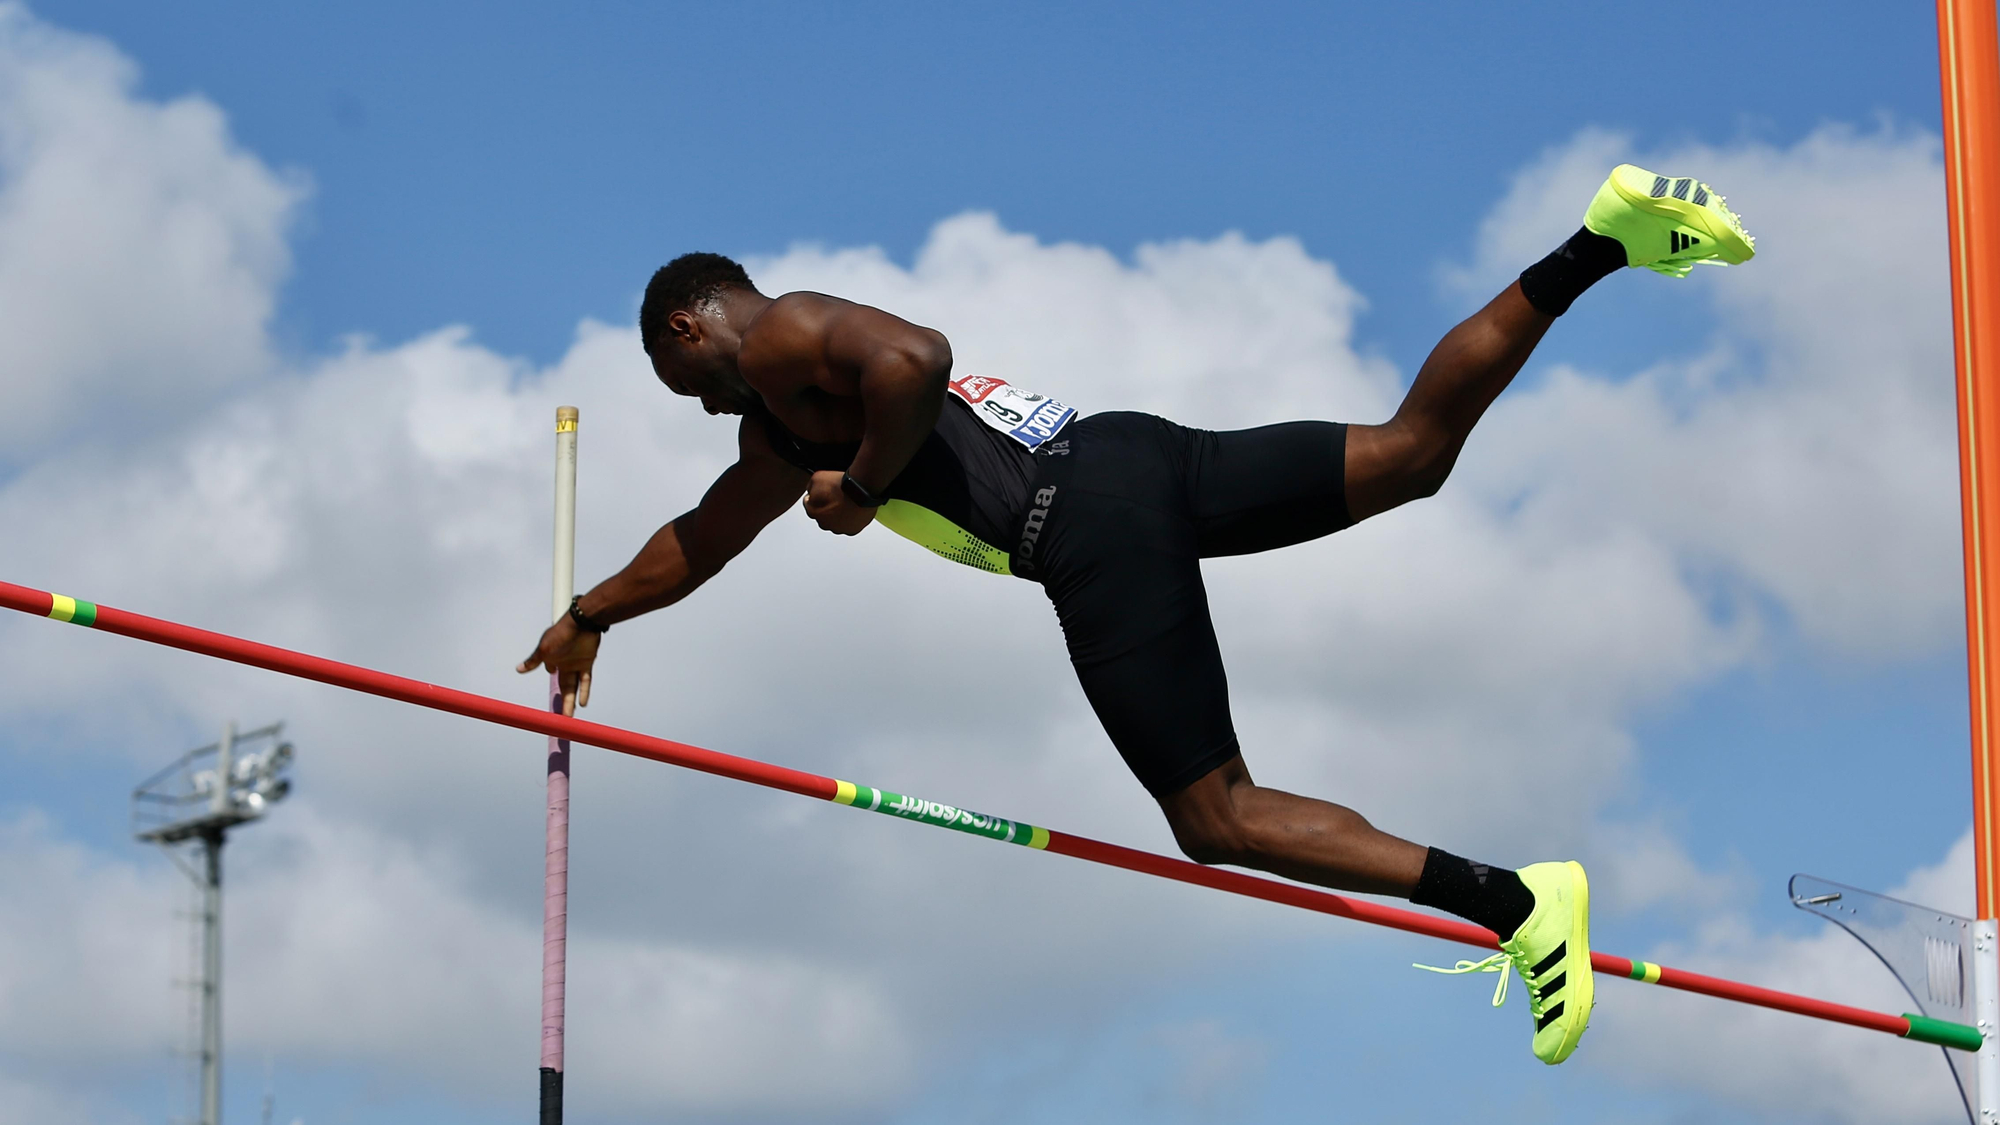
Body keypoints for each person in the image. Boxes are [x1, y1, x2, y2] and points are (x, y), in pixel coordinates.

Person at [518, 164, 1755, 1064]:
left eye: (665, 374)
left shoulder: (784, 337)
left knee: (1215, 819)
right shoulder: (776, 419)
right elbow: (705, 535)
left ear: (687, 328)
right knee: (1404, 454)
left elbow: (916, 358)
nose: (679, 400)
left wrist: (868, 483)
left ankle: (1515, 902)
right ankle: (1598, 242)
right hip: (1125, 459)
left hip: (1082, 531)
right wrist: (591, 613)